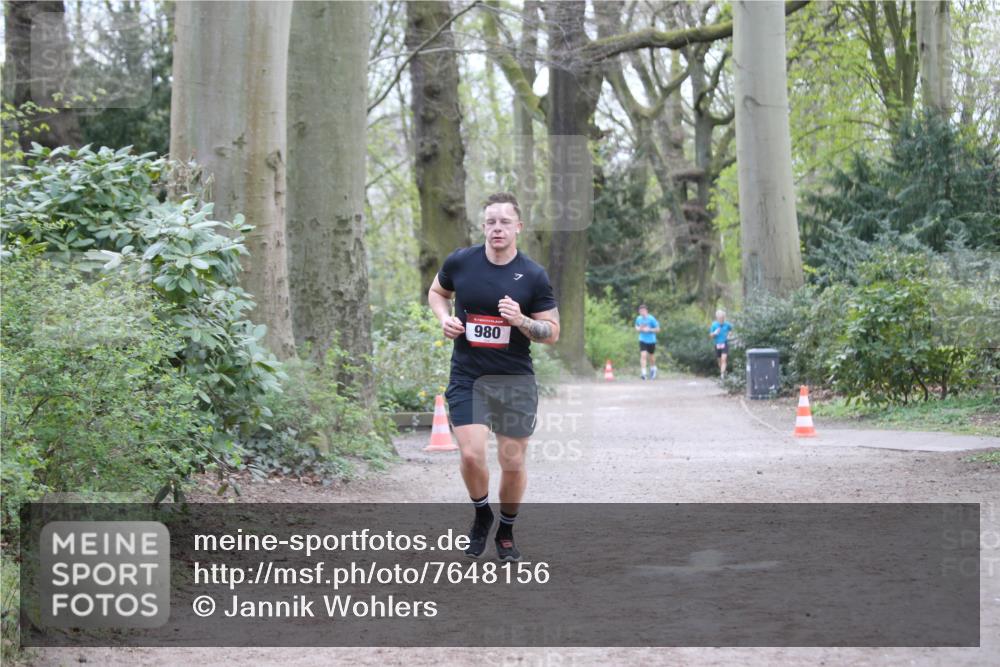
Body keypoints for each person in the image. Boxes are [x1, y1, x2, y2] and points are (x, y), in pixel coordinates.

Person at [427, 192, 560, 562]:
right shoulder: (461, 262)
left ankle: (506, 528)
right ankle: (482, 514)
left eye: (504, 222)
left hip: (514, 379)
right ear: (482, 226)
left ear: (518, 227)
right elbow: (437, 293)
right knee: (471, 455)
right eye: (490, 221)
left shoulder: (533, 275)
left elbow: (552, 332)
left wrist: (520, 321)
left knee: (513, 462)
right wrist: (445, 319)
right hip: (468, 376)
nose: (496, 228)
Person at [634, 304, 660, 380]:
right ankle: (644, 373)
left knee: (651, 356)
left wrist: (649, 329)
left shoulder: (651, 319)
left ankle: (653, 368)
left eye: (643, 311)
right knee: (643, 355)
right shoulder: (638, 318)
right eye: (640, 311)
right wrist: (639, 328)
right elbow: (636, 327)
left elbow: (658, 329)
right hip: (642, 339)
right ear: (639, 312)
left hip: (651, 340)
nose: (642, 312)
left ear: (646, 311)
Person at [709, 309, 733, 378]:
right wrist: (715, 333)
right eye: (720, 318)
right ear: (717, 318)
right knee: (719, 361)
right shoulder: (714, 325)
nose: (721, 319)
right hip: (717, 344)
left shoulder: (727, 324)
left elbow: (731, 331)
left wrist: (729, 335)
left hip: (724, 343)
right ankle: (723, 371)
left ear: (724, 317)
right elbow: (710, 336)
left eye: (722, 318)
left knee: (724, 359)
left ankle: (722, 375)